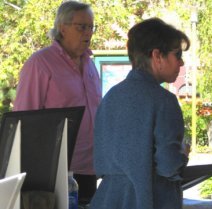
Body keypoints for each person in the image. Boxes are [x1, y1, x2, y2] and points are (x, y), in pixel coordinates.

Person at [89, 18, 190, 209]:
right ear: (157, 55)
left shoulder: (111, 96)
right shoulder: (164, 101)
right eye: (177, 54)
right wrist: (182, 154)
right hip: (148, 199)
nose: (181, 62)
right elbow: (168, 166)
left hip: (107, 199)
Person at [13, 1, 101, 207]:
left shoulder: (89, 64)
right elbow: (24, 120)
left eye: (91, 27)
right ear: (62, 27)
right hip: (55, 173)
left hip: (89, 168)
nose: (88, 32)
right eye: (82, 27)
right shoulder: (40, 63)